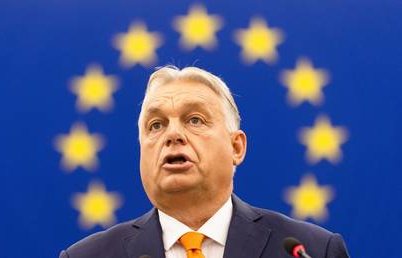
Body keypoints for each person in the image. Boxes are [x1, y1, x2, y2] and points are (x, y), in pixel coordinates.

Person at [59, 66, 350, 258]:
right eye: (156, 125)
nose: (173, 134)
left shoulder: (308, 250)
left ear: (236, 147)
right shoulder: (87, 256)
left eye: (194, 120)